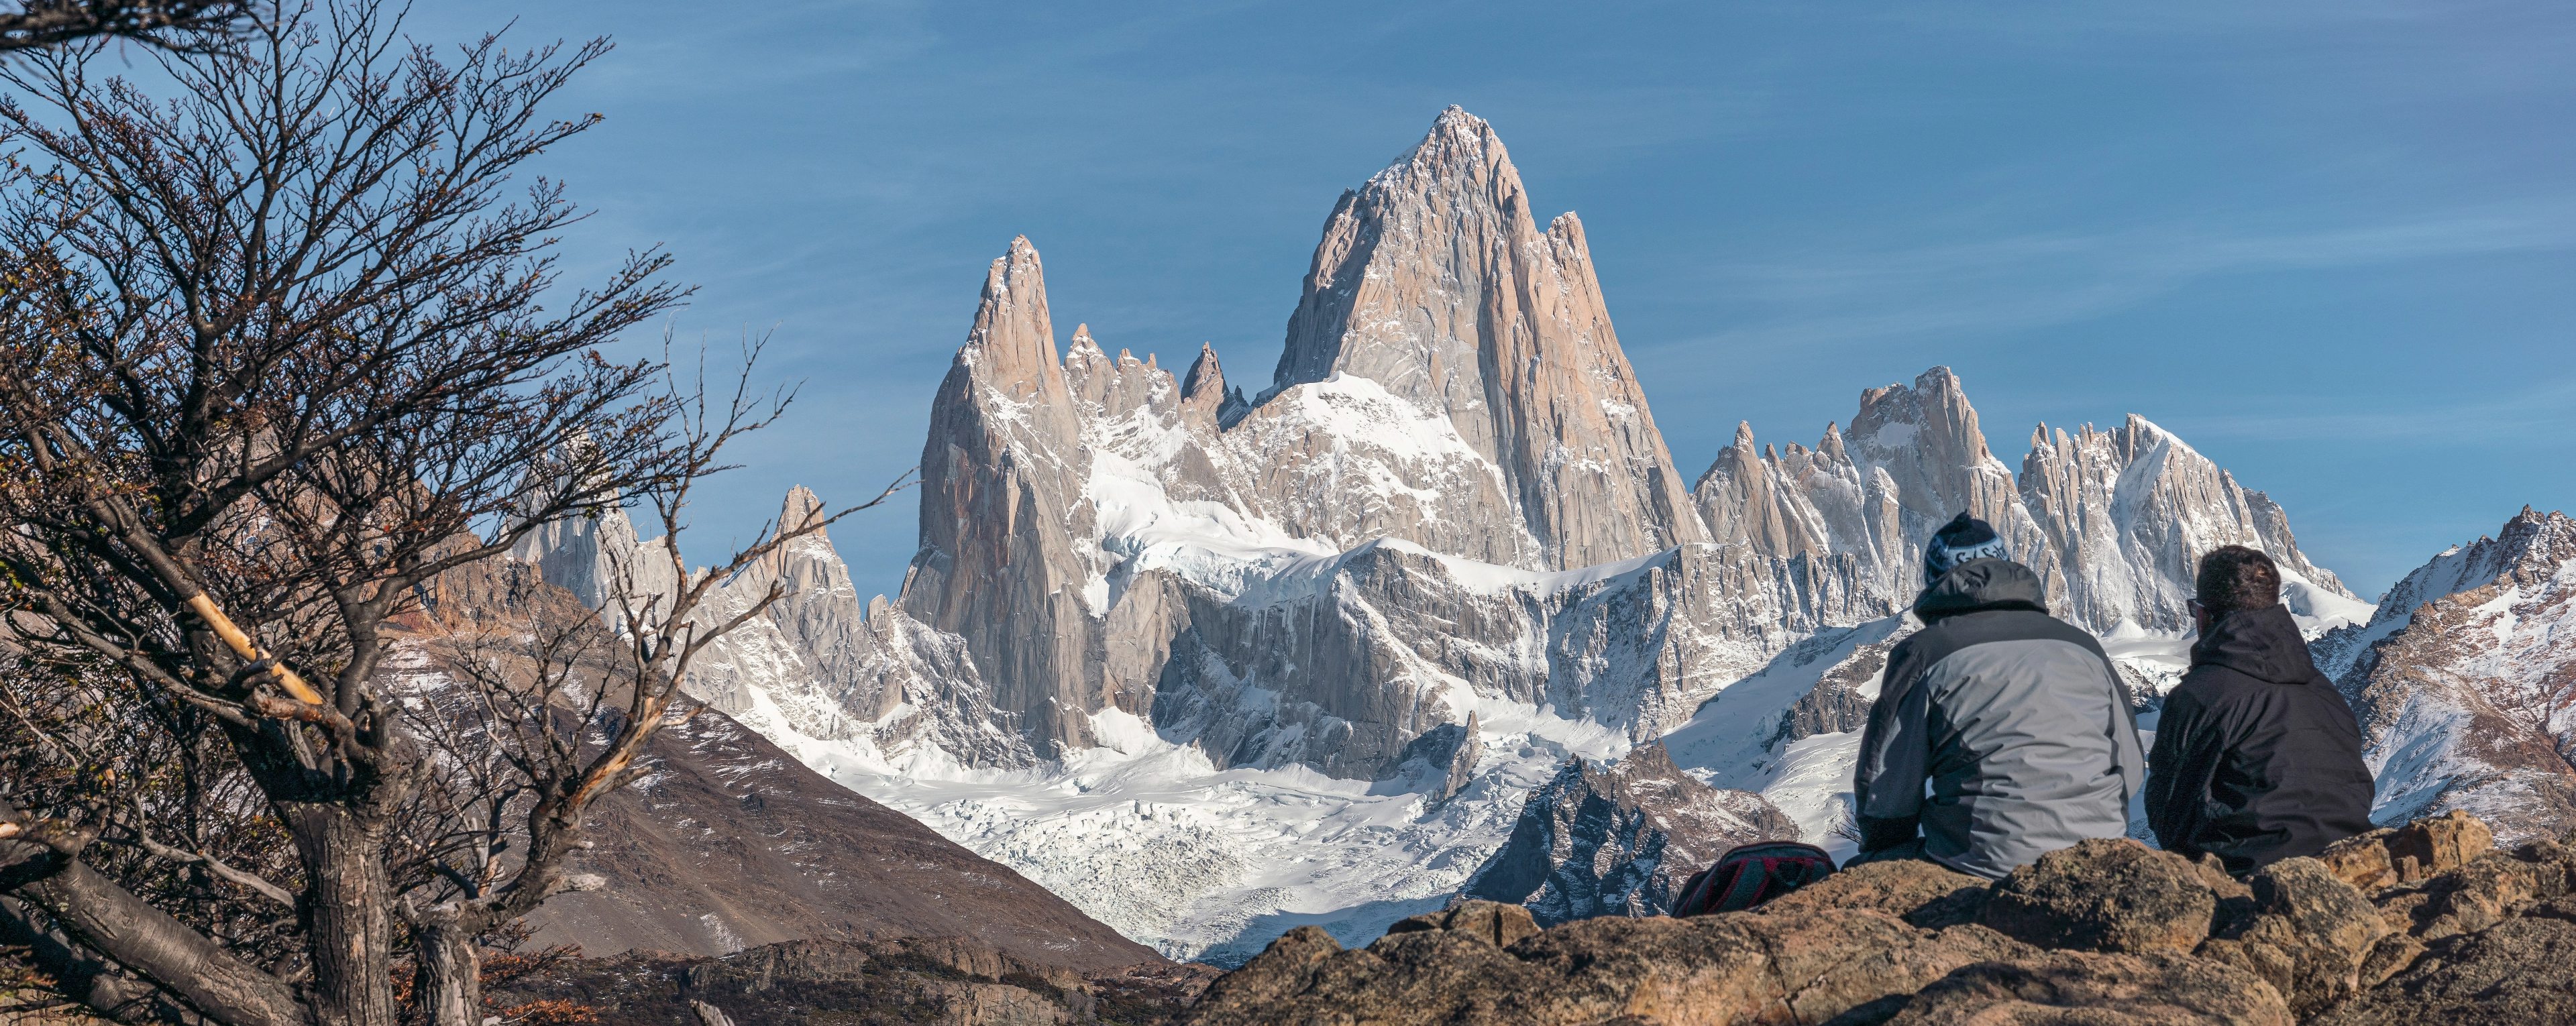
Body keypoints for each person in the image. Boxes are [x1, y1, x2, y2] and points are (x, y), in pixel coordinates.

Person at [1849, 512, 2146, 880]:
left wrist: (1884, 849)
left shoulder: (1923, 654)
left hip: (1983, 865)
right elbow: (2132, 772)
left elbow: (1885, 795)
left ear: (1936, 582)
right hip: (2098, 859)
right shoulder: (2085, 647)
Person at [2145, 545, 2375, 874]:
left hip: (2251, 880)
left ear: (2203, 614)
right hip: (2357, 870)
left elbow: (2169, 815)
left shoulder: (2200, 696)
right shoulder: (2326, 693)